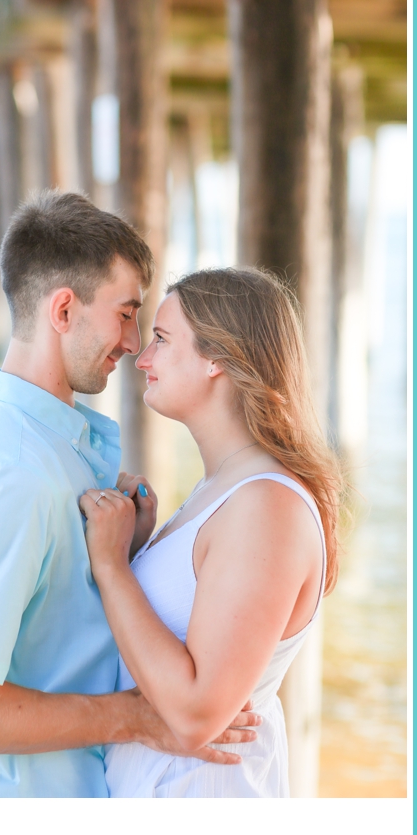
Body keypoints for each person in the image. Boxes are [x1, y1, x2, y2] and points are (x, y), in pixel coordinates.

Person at [0, 190, 259, 798]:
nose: (133, 344)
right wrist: (136, 718)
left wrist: (128, 553)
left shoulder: (56, 452)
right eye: (126, 314)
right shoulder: (15, 476)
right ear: (64, 310)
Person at [81, 267, 342, 797]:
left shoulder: (268, 505)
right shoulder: (225, 489)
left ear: (217, 358)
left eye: (161, 338)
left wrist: (111, 568)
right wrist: (138, 548)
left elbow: (196, 713)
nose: (143, 356)